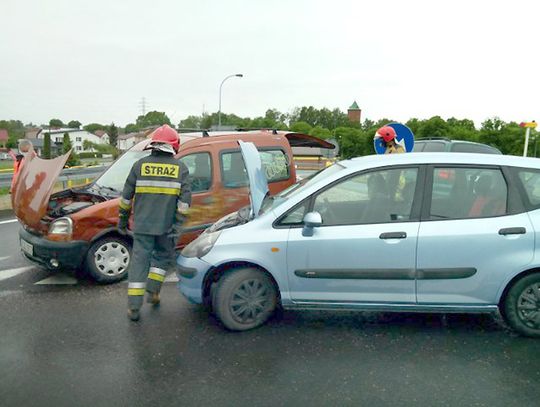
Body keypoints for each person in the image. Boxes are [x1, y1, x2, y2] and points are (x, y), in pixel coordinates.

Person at [118, 125, 191, 322]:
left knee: (139, 263)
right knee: (161, 260)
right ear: (174, 146)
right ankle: (153, 292)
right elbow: (184, 205)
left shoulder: (139, 166)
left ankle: (134, 308)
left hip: (142, 227)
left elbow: (125, 199)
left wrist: (122, 222)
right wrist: (177, 226)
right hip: (167, 227)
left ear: (154, 145)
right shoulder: (181, 169)